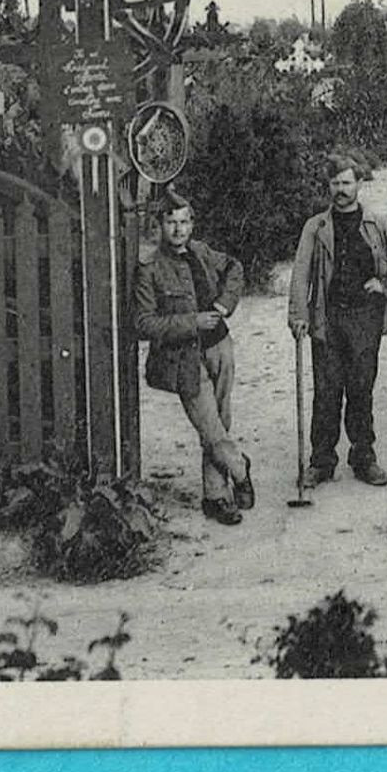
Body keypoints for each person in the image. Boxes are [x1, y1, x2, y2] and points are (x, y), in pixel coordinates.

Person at [288, 155, 387, 486]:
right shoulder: (316, 227)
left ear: (359, 184)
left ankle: (363, 457)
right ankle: (321, 462)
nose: (341, 190)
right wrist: (298, 315)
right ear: (329, 187)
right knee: (327, 390)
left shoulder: (377, 224)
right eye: (335, 183)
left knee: (361, 388)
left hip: (365, 320)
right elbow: (300, 273)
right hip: (328, 319)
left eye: (347, 183)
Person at [135, 191, 254, 526]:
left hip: (220, 347)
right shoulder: (149, 269)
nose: (178, 229)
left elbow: (234, 268)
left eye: (184, 221)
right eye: (170, 222)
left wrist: (223, 306)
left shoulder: (202, 252)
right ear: (158, 226)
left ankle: (215, 497)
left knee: (220, 420)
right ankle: (239, 468)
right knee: (210, 426)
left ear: (192, 224)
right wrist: (192, 322)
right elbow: (143, 323)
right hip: (182, 359)